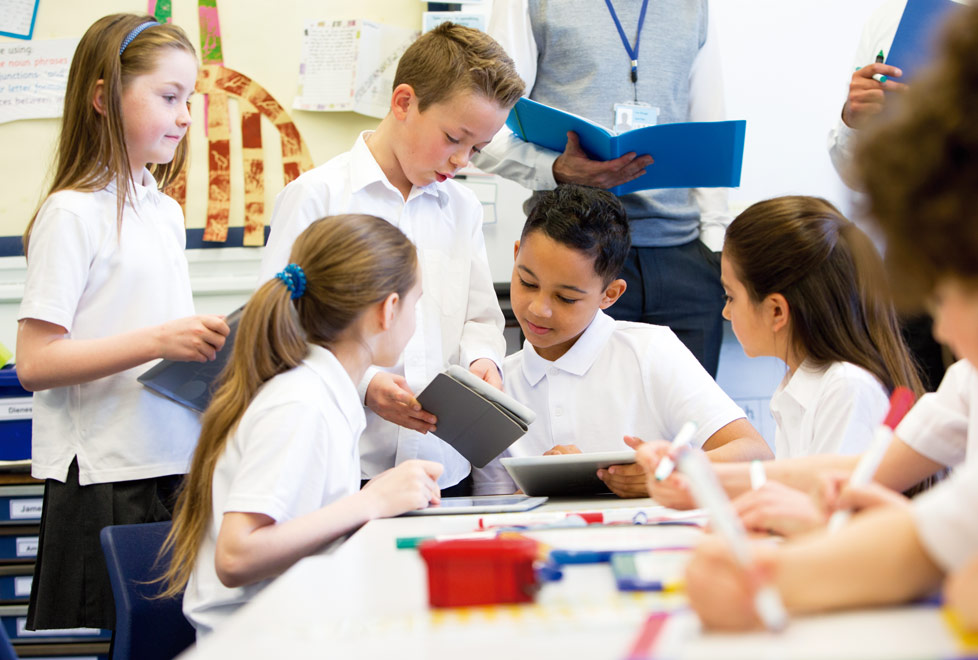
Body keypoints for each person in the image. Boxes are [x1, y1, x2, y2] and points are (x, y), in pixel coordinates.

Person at [680, 4, 978, 628]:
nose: (941, 330)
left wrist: (768, 579)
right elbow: (891, 496)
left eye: (951, 291)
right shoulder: (966, 382)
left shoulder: (847, 385)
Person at [14, 15, 231, 631]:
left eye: (189, 99)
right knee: (110, 639)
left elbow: (160, 345)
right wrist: (161, 340)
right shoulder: (71, 213)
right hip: (106, 477)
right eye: (168, 97)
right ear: (105, 98)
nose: (186, 115)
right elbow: (35, 363)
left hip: (173, 466)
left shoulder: (162, 211)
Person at [258, 23, 525, 493]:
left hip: (444, 468)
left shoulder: (460, 208)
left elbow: (480, 316)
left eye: (477, 149)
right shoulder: (317, 197)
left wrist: (485, 360)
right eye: (453, 138)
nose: (463, 160)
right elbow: (280, 327)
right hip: (349, 468)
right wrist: (365, 385)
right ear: (404, 103)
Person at [164, 215, 443, 635]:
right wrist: (373, 501)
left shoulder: (323, 391)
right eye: (414, 303)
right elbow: (236, 557)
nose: (414, 319)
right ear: (388, 310)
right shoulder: (301, 403)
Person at [472, 0, 730, 377]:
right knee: (566, 419)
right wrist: (555, 169)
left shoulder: (694, 7)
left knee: (686, 431)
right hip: (573, 254)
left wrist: (715, 244)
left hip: (683, 259)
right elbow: (483, 128)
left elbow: (710, 127)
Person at [472, 185, 770, 498]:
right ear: (517, 253)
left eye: (565, 297)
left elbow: (755, 453)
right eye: (527, 282)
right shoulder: (496, 384)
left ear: (610, 294)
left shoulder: (651, 352)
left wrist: (667, 471)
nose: (538, 309)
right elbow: (492, 508)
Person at [828, 0, 967, 393]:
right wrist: (855, 121)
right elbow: (855, 177)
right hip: (918, 261)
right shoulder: (892, 19)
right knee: (917, 413)